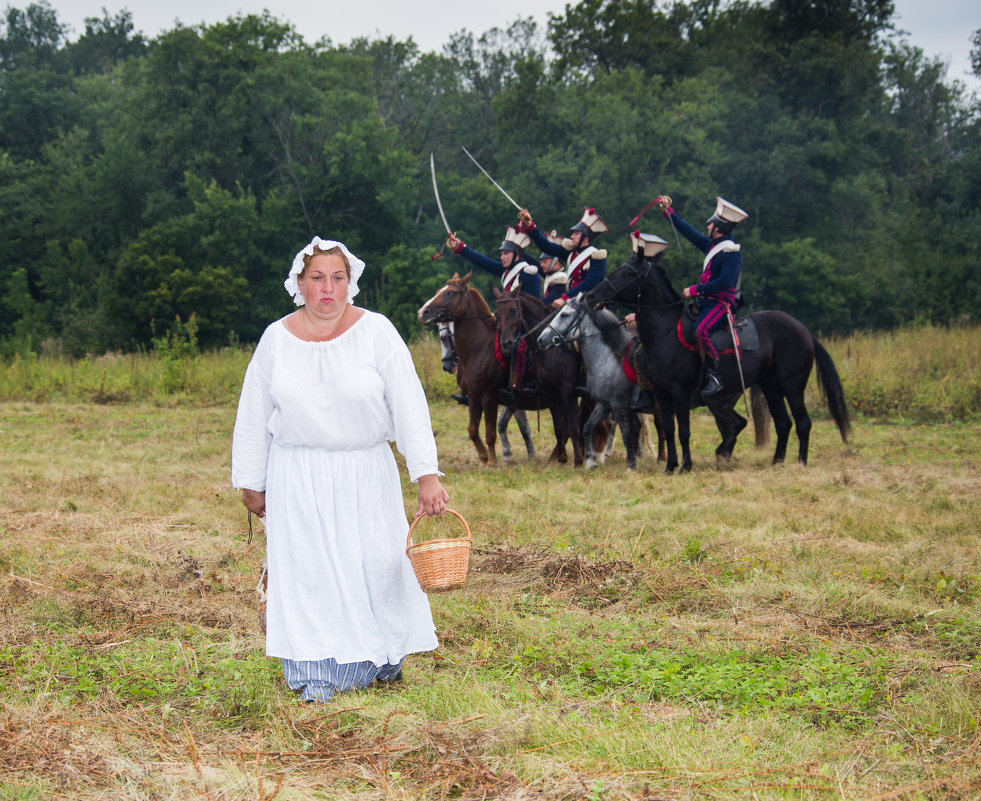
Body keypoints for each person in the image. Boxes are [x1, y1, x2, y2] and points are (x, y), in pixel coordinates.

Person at [231, 236, 449, 703]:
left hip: (365, 472)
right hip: (297, 475)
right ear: (300, 284)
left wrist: (425, 475)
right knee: (309, 572)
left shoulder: (378, 332)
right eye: (317, 278)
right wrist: (251, 481)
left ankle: (381, 656)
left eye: (337, 278)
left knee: (373, 565)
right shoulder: (275, 339)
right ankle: (317, 672)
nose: (328, 288)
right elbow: (253, 413)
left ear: (350, 283)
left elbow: (409, 404)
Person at [656, 194, 748, 396]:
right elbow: (689, 232)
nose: (707, 227)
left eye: (710, 224)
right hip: (707, 302)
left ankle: (715, 377)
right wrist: (669, 212)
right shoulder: (712, 246)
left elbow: (725, 282)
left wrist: (695, 290)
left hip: (721, 303)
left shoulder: (731, 252)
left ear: (719, 228)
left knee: (701, 330)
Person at [517, 207, 609, 308]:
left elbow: (589, 283)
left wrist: (565, 297)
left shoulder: (597, 258)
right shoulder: (570, 253)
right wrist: (531, 226)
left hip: (591, 306)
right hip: (572, 303)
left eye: (576, 233)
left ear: (586, 237)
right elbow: (546, 246)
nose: (572, 236)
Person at [446, 226, 542, 298]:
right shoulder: (504, 269)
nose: (502, 258)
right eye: (501, 254)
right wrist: (461, 248)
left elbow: (532, 307)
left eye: (506, 254)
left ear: (517, 256)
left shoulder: (529, 273)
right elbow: (482, 261)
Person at [538, 230, 570, 306]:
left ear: (556, 263)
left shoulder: (561, 278)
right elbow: (532, 261)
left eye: (545, 262)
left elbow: (550, 299)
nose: (541, 265)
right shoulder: (550, 274)